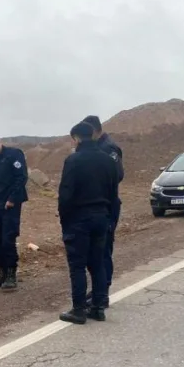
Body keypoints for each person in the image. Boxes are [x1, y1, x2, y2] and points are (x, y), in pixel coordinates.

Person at [57, 121, 119, 325]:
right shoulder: (108, 160)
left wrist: (65, 222)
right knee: (97, 263)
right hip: (101, 216)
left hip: (79, 219)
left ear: (76, 138)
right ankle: (98, 307)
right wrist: (109, 217)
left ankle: (78, 310)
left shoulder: (73, 161)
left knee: (77, 265)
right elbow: (113, 192)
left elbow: (66, 194)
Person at [82, 115, 124, 306]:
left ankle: (103, 292)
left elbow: (117, 176)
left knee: (104, 249)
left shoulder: (109, 148)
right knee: (95, 251)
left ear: (95, 130)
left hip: (107, 206)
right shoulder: (97, 147)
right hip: (96, 206)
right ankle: (98, 290)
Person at [0, 130, 29, 290]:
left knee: (8, 239)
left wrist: (12, 199)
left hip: (10, 205)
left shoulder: (14, 155)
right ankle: (2, 272)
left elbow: (21, 178)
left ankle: (11, 274)